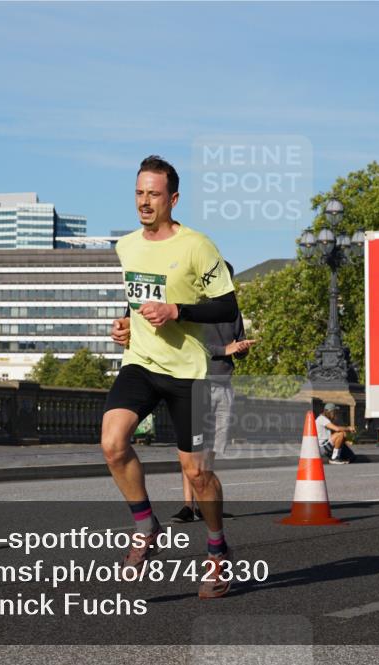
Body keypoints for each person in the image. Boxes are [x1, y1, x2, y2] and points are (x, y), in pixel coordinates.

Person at [102, 155, 238, 599]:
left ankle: (217, 550)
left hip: (188, 373)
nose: (144, 202)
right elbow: (135, 300)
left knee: (197, 475)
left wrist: (177, 311)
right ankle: (145, 524)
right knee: (112, 442)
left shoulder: (197, 246)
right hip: (140, 363)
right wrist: (124, 323)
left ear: (173, 199)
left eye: (153, 194)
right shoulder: (125, 247)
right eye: (139, 193)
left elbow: (227, 307)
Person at [172, 263, 256, 523]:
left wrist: (242, 349)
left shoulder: (233, 312)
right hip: (198, 383)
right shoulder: (196, 308)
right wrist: (224, 350)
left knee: (211, 450)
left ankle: (203, 504)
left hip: (224, 384)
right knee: (192, 447)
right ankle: (188, 506)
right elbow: (190, 344)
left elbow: (236, 343)